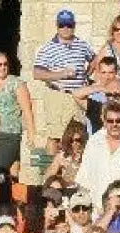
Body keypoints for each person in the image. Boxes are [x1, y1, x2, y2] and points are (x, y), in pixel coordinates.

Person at [32, 10, 94, 152]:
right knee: (55, 136)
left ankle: (74, 168)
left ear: (74, 25)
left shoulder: (82, 45)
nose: (66, 28)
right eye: (62, 25)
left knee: (78, 134)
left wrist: (86, 76)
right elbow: (37, 73)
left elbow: (95, 60)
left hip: (78, 96)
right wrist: (61, 74)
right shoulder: (48, 48)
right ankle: (52, 171)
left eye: (69, 25)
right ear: (57, 26)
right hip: (58, 95)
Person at [76, 102, 120, 206]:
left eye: (118, 121)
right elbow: (83, 180)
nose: (114, 124)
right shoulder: (93, 144)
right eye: (110, 121)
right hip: (95, 211)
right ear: (104, 122)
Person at [0, 51, 36, 176]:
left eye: (5, 64)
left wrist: (31, 134)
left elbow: (27, 110)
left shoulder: (15, 83)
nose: (3, 67)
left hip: (10, 134)